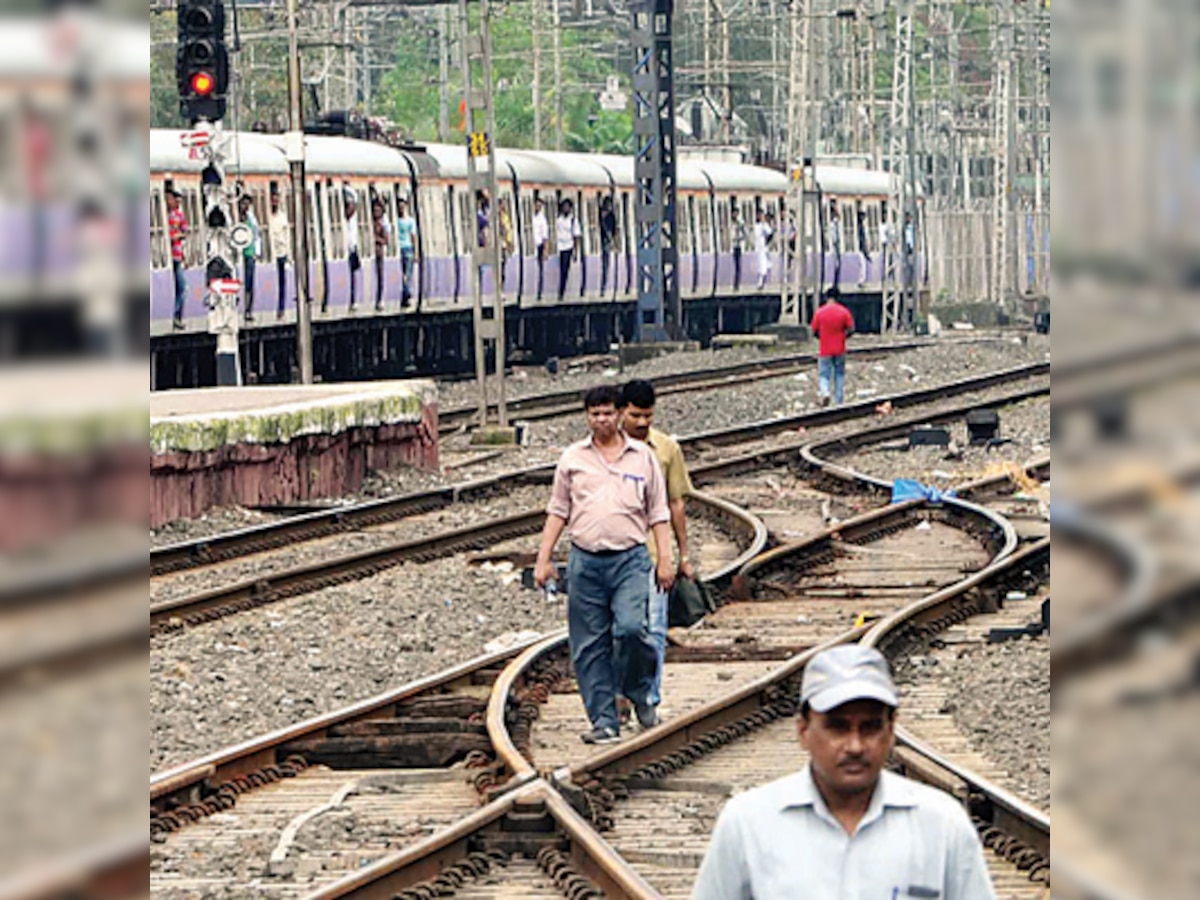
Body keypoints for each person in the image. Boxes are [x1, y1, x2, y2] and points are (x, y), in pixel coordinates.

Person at [692, 645, 997, 900]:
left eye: (871, 727)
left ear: (891, 731)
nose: (855, 745)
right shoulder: (748, 825)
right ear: (803, 731)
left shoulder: (942, 824)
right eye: (838, 726)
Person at [533, 385, 676, 745]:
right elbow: (558, 510)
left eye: (608, 413)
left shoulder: (642, 457)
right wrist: (544, 558)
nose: (602, 420)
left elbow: (659, 512)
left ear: (619, 415)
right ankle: (604, 720)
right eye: (594, 414)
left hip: (630, 559)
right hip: (585, 561)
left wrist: (666, 559)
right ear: (587, 417)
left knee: (630, 630)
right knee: (589, 644)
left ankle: (639, 690)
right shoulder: (572, 459)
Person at [619, 379, 695, 714]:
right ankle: (621, 694)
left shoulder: (665, 449)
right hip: (614, 553)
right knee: (620, 631)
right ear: (622, 411)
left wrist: (683, 556)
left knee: (654, 628)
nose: (642, 422)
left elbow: (676, 504)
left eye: (647, 415)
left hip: (653, 555)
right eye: (635, 415)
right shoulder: (605, 450)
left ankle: (648, 698)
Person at [809, 287, 855, 407]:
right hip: (840, 348)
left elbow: (813, 330)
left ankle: (825, 393)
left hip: (825, 349)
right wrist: (843, 337)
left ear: (826, 297)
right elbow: (851, 329)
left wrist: (821, 338)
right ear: (838, 298)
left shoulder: (820, 312)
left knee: (824, 374)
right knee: (839, 374)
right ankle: (839, 401)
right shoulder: (844, 311)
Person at [166, 186, 188, 329]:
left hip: (177, 255)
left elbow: (185, 232)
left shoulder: (179, 216)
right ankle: (174, 316)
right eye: (175, 199)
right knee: (179, 287)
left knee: (182, 288)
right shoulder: (163, 215)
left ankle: (177, 316)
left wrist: (176, 237)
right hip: (167, 256)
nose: (177, 202)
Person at [268, 190, 291, 320]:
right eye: (272, 200)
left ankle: (281, 308)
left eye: (276, 200)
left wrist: (288, 253)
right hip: (272, 252)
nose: (274, 202)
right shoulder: (268, 217)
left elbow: (287, 236)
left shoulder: (282, 218)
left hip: (282, 252)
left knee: (282, 282)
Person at [237, 194, 260, 323]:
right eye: (242, 204)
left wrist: (256, 252)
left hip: (249, 254)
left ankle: (248, 310)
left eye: (247, 204)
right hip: (238, 256)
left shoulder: (252, 220)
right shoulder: (235, 219)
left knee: (249, 283)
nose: (244, 206)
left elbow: (256, 236)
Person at [556, 198, 581, 301]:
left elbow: (577, 236)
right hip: (559, 246)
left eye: (567, 207)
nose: (565, 208)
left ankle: (562, 291)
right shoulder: (558, 220)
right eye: (564, 206)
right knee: (559, 269)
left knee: (564, 269)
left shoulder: (573, 220)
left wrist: (575, 251)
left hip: (568, 246)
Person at [396, 197, 418, 308]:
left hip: (407, 248)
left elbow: (413, 236)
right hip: (399, 248)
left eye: (402, 206)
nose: (401, 208)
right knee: (404, 274)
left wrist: (416, 252)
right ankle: (406, 293)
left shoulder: (410, 221)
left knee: (407, 274)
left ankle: (406, 294)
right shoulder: (396, 221)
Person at [372, 198, 390, 311]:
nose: (376, 212)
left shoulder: (382, 224)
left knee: (380, 276)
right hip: (374, 253)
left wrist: (376, 239)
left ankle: (380, 299)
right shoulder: (372, 222)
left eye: (378, 210)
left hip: (379, 253)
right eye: (374, 210)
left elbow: (386, 240)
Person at [345, 190, 361, 311]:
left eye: (350, 206)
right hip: (347, 250)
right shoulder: (343, 220)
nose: (348, 209)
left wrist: (346, 187)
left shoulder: (354, 219)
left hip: (353, 248)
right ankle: (351, 298)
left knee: (354, 274)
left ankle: (354, 298)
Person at [533, 197, 550, 299]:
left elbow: (545, 236)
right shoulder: (529, 216)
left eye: (540, 206)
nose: (538, 207)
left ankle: (539, 292)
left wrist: (545, 250)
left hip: (539, 246)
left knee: (540, 270)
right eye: (536, 205)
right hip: (532, 244)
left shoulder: (542, 219)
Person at [599, 195, 616, 294]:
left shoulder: (611, 216)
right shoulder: (601, 215)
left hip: (606, 243)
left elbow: (614, 230)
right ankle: (603, 287)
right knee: (605, 264)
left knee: (606, 265)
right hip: (604, 242)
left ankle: (604, 287)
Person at [754, 209, 774, 289]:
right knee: (760, 266)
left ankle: (762, 283)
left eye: (762, 215)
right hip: (758, 248)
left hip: (763, 248)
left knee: (764, 266)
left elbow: (770, 233)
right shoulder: (757, 225)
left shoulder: (764, 225)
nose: (761, 217)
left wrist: (767, 242)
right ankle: (761, 282)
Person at [498, 196, 515, 287]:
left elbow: (508, 231)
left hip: (503, 245)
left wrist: (510, 243)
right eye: (501, 205)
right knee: (498, 269)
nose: (503, 207)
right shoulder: (494, 217)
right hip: (497, 246)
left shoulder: (505, 217)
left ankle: (502, 288)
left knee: (502, 268)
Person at [827, 199, 842, 287]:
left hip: (836, 244)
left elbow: (839, 217)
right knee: (835, 263)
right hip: (833, 244)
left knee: (836, 263)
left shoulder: (835, 222)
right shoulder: (831, 224)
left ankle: (835, 281)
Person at [731, 206, 746, 289]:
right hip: (732, 246)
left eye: (737, 213)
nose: (735, 215)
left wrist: (739, 238)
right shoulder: (730, 223)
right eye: (734, 213)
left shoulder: (740, 223)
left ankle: (736, 284)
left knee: (737, 266)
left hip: (737, 246)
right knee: (736, 266)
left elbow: (745, 234)